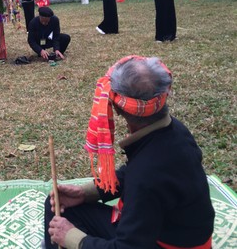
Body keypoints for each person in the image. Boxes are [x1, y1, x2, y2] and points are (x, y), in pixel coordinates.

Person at [43, 55, 215, 249]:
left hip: (165, 243)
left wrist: (73, 238)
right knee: (61, 207)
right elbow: (134, 174)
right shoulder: (175, 131)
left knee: (59, 216)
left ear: (117, 108)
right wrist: (85, 193)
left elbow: (128, 246)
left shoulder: (147, 173)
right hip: (176, 232)